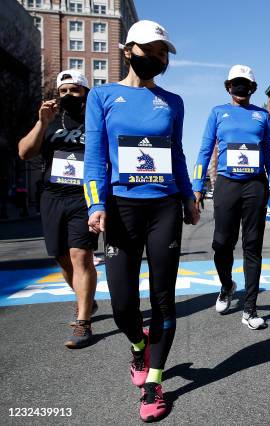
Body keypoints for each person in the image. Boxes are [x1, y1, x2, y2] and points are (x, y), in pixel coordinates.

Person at [84, 20, 199, 422]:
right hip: (121, 208)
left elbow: (178, 155)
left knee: (163, 298)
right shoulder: (101, 96)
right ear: (128, 49)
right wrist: (95, 204)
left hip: (164, 206)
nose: (158, 58)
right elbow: (95, 158)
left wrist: (189, 195)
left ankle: (154, 382)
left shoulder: (173, 101)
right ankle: (137, 345)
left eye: (164, 52)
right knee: (122, 304)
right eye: (151, 50)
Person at [192, 65, 270, 330]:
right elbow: (204, 150)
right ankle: (226, 285)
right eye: (235, 83)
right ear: (228, 86)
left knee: (252, 246)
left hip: (255, 185)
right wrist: (197, 185)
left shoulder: (262, 116)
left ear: (252, 88)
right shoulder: (218, 113)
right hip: (227, 184)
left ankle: (250, 309)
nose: (240, 87)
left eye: (245, 83)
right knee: (222, 243)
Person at [18, 69, 98, 348]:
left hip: (84, 197)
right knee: (61, 257)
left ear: (85, 93)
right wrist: (42, 122)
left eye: (74, 90)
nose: (68, 96)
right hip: (51, 196)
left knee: (81, 256)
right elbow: (25, 152)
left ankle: (83, 322)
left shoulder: (96, 121)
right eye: (63, 91)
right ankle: (86, 299)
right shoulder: (50, 120)